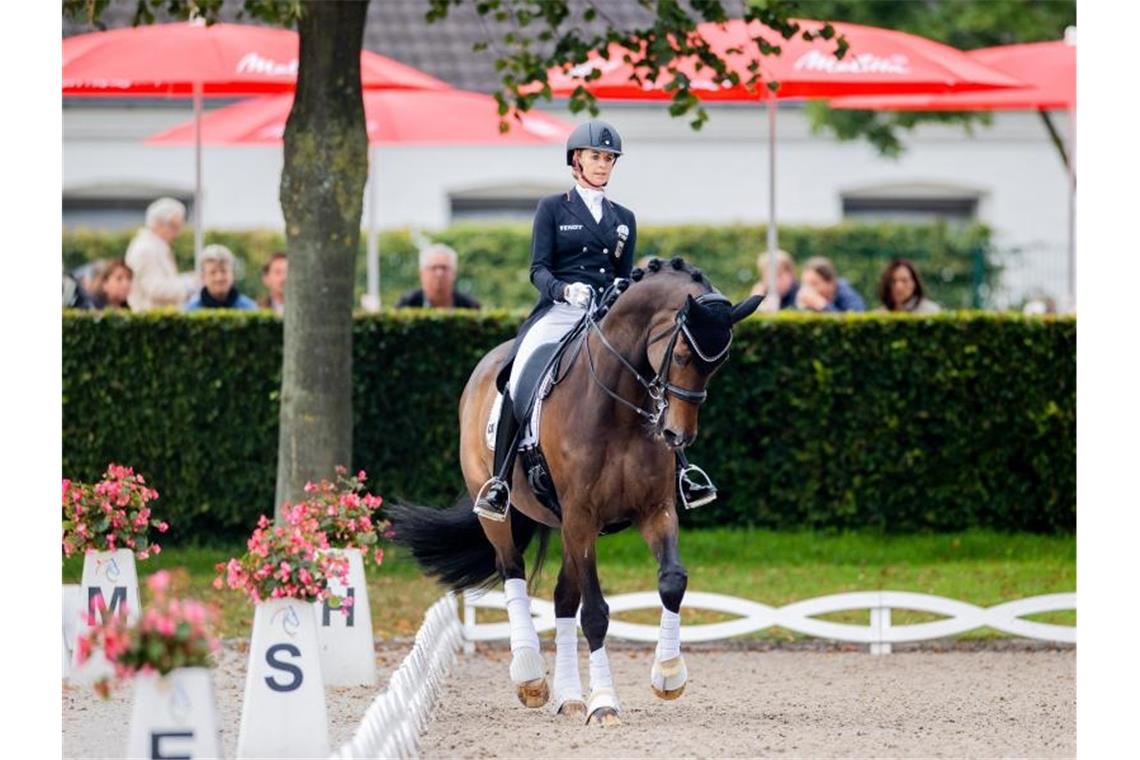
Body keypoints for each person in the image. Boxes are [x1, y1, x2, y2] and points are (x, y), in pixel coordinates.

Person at [473, 119, 716, 520]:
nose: (602, 165)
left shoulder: (624, 217)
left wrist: (617, 299)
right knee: (520, 375)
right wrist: (564, 291)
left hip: (607, 316)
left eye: (608, 159)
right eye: (595, 157)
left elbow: (624, 275)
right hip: (560, 310)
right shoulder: (553, 208)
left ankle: (684, 471)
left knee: (655, 375)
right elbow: (538, 268)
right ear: (576, 161)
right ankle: (500, 481)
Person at [124, 197, 195, 311]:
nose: (177, 233)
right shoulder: (146, 249)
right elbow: (155, 289)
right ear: (158, 223)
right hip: (149, 319)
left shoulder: (155, 246)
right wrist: (189, 285)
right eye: (174, 226)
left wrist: (187, 279)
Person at [396, 244, 481, 309]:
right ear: (422, 273)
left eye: (444, 268)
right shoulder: (406, 305)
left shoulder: (470, 307)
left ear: (454, 273)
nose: (439, 273)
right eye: (433, 268)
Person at [184, 244, 258, 311]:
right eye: (213, 272)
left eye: (224, 271)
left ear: (233, 275)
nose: (219, 278)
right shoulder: (190, 310)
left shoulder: (249, 308)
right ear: (203, 278)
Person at [795, 256, 866, 313]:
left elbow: (855, 318)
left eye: (814, 284)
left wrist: (822, 305)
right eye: (805, 284)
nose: (809, 289)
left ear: (830, 282)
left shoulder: (846, 294)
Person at [258, 251, 288, 315]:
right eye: (278, 272)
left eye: (288, 271)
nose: (284, 277)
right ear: (265, 279)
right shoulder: (257, 310)